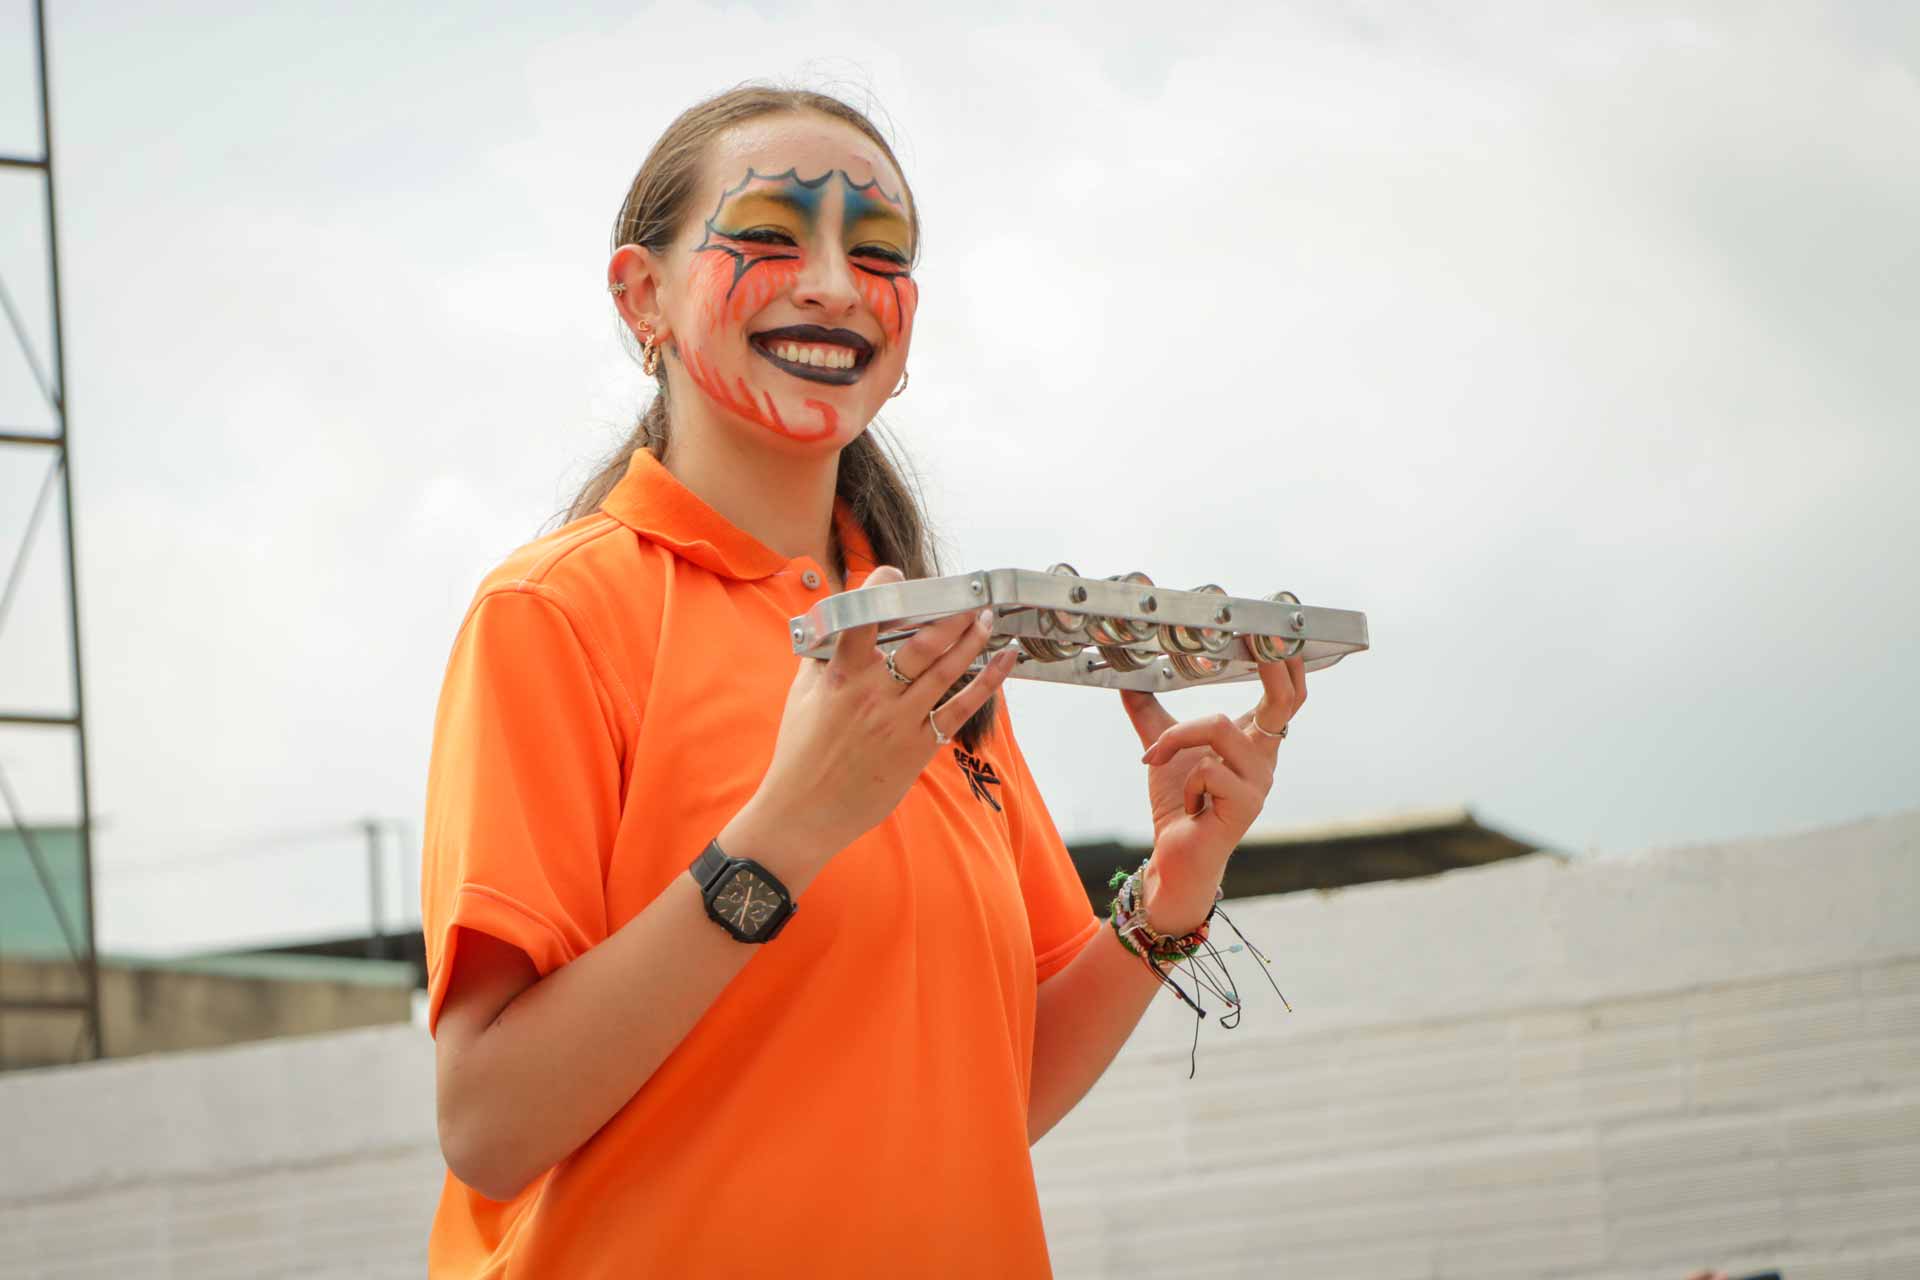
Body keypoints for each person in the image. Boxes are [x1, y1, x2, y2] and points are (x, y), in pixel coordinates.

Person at [419, 84, 1308, 1277]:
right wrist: (788, 830)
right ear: (642, 296)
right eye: (771, 236)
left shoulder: (937, 643)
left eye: (878, 252)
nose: (836, 285)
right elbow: (489, 1122)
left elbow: (1000, 1089)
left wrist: (1170, 895)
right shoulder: (555, 615)